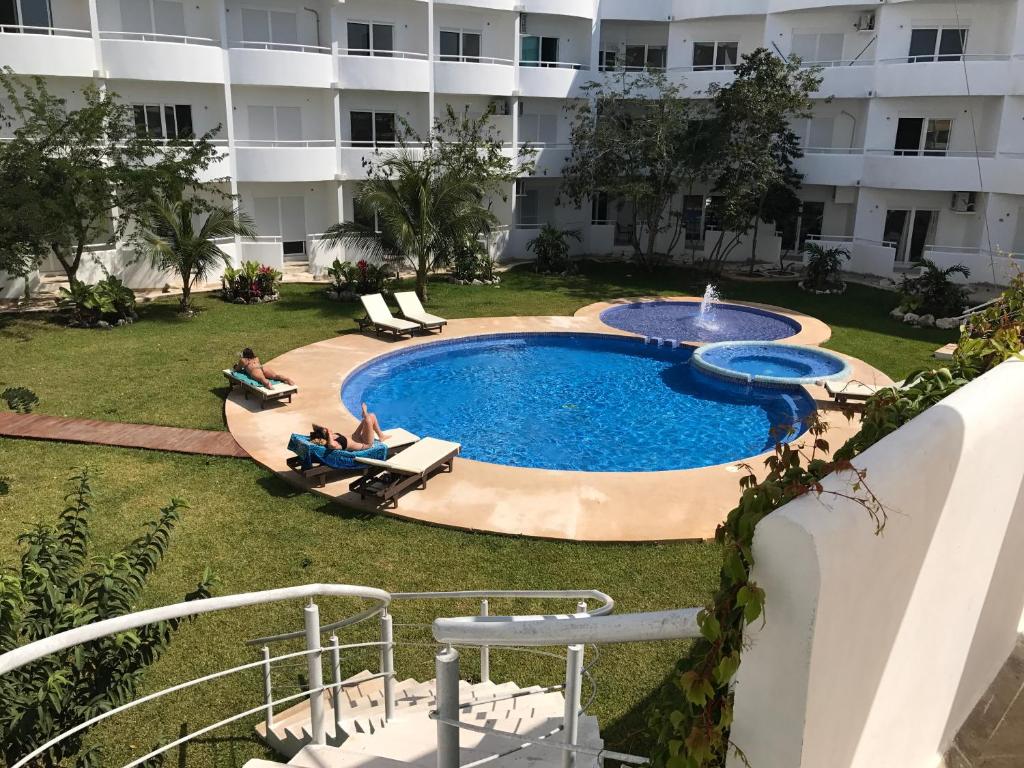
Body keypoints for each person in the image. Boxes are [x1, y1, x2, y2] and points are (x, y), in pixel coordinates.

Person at [311, 403, 388, 452]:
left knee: (372, 416)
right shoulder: (332, 443)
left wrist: (329, 433)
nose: (327, 429)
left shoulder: (331, 437)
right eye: (325, 429)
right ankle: (365, 414)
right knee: (368, 419)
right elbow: (332, 446)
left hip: (356, 436)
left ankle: (381, 436)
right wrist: (330, 434)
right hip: (364, 443)